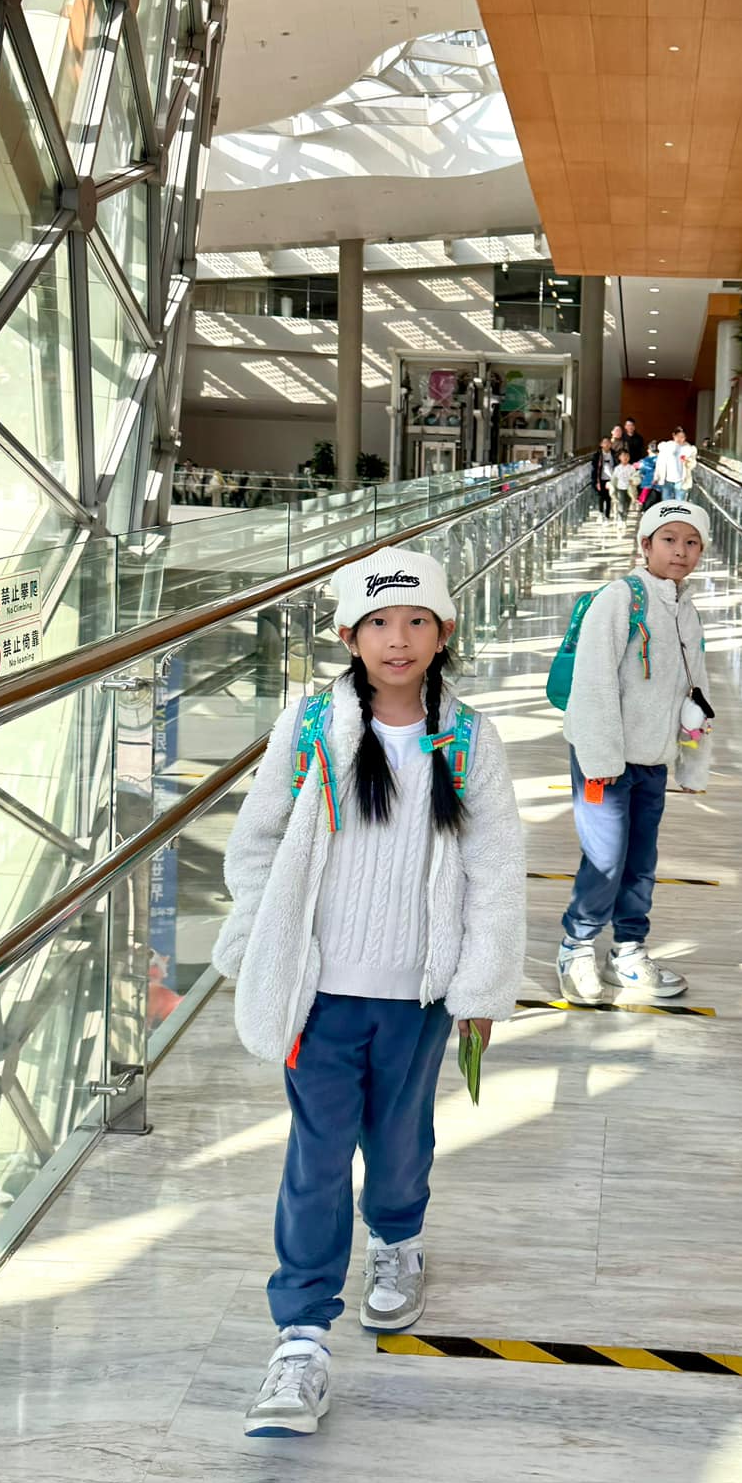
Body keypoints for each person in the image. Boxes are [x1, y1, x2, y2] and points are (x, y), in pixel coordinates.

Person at [213, 550, 525, 1437]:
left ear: (444, 633)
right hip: (318, 993)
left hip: (418, 996)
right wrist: (262, 939)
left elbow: (495, 869)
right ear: (349, 636)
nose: (398, 639)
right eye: (380, 623)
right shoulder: (312, 724)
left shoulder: (468, 740)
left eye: (417, 621)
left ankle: (396, 1241)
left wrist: (481, 985)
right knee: (315, 1157)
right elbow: (258, 839)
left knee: (397, 1140)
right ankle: (301, 1337)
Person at [556, 499, 716, 1005]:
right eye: (669, 540)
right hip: (603, 760)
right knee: (605, 859)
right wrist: (602, 761)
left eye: (691, 542)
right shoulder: (620, 599)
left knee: (641, 861)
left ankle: (627, 950)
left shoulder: (686, 610)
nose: (680, 551)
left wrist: (691, 760)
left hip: (652, 760)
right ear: (645, 545)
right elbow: (593, 683)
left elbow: (695, 690)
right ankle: (577, 947)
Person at [654, 426, 695, 502]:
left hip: (681, 480)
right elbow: (659, 463)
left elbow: (692, 465)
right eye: (678, 436)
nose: (680, 439)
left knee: (680, 502)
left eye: (682, 437)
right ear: (673, 435)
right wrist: (656, 476)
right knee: (666, 501)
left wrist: (687, 461)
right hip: (667, 479)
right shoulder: (666, 446)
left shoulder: (689, 449)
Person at [611, 447, 639, 524]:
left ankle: (624, 518)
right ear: (619, 457)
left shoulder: (632, 468)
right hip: (620, 488)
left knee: (627, 504)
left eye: (627, 455)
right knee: (621, 503)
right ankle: (621, 519)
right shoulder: (617, 468)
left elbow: (636, 477)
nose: (625, 457)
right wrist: (612, 489)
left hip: (630, 489)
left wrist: (633, 481)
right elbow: (614, 479)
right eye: (623, 455)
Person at [590, 438, 614, 519]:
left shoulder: (614, 454)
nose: (606, 444)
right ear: (601, 444)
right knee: (601, 496)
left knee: (608, 497)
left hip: (611, 478)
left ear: (611, 444)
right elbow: (594, 468)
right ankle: (601, 513)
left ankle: (607, 515)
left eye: (608, 442)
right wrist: (595, 480)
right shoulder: (597, 455)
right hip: (600, 479)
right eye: (604, 442)